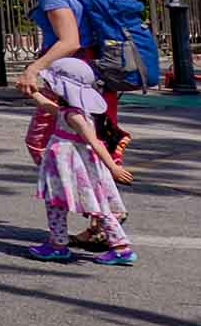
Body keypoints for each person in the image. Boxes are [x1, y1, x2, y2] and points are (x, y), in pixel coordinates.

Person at [21, 53, 132, 263]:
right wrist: (31, 92)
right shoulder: (71, 110)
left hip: (71, 166)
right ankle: (60, 243)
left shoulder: (75, 116)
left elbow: (95, 142)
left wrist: (113, 167)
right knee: (62, 204)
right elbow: (48, 106)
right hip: (65, 165)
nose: (48, 86)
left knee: (93, 206)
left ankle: (117, 247)